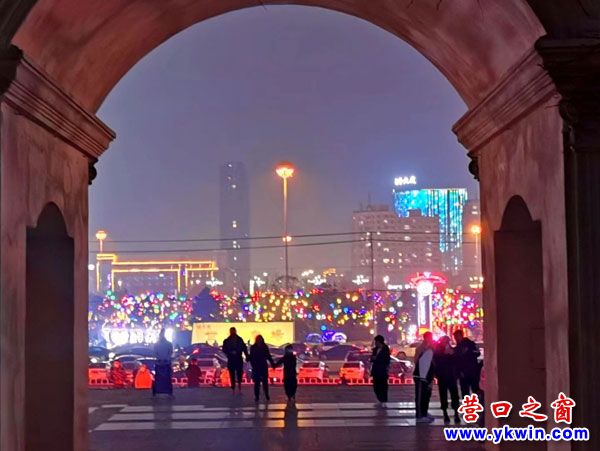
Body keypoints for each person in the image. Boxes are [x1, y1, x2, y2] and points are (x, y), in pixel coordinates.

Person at [433, 336, 460, 424]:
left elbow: (457, 362)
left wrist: (452, 354)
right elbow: (436, 362)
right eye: (445, 341)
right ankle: (445, 413)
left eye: (447, 341)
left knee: (454, 395)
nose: (446, 343)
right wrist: (444, 354)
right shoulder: (438, 351)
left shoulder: (452, 350)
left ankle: (456, 413)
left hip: (451, 376)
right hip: (443, 376)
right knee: (443, 395)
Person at [414, 331, 435, 423]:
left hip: (428, 376)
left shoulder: (432, 348)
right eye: (429, 337)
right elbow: (416, 360)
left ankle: (424, 412)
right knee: (420, 395)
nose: (430, 339)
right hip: (421, 376)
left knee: (426, 395)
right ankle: (419, 415)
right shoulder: (421, 348)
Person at [453, 329, 481, 398]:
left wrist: (468, 352)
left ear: (461, 336)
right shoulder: (458, 347)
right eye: (455, 337)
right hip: (466, 373)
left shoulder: (469, 344)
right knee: (467, 391)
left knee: (472, 390)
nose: (456, 339)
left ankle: (476, 402)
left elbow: (477, 353)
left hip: (471, 372)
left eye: (457, 337)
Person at [222, 327, 249, 393]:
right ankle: (234, 387)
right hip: (232, 358)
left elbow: (244, 348)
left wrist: (247, 356)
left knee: (239, 372)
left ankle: (238, 386)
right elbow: (224, 349)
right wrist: (229, 352)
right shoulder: (227, 340)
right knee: (232, 374)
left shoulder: (239, 340)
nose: (233, 332)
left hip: (237, 358)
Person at [248, 335, 274, 402]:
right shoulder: (256, 347)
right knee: (257, 383)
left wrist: (272, 363)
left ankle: (266, 395)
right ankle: (257, 396)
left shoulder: (261, 347)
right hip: (257, 366)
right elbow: (251, 356)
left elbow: (268, 356)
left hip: (261, 366)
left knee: (264, 382)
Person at [370, 335, 391, 407]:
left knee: (383, 386)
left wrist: (377, 358)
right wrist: (372, 358)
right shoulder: (375, 349)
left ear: (379, 341)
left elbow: (386, 360)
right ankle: (379, 399)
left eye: (376, 341)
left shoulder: (385, 349)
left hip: (383, 370)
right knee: (376, 386)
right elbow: (372, 359)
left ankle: (384, 400)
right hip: (376, 370)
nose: (375, 343)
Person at [153, 328, 174, 396]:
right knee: (167, 378)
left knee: (158, 379)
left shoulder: (156, 344)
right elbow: (170, 352)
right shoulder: (169, 344)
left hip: (160, 363)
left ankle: (157, 392)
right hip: (166, 363)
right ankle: (168, 392)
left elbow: (155, 353)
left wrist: (160, 359)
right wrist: (166, 359)